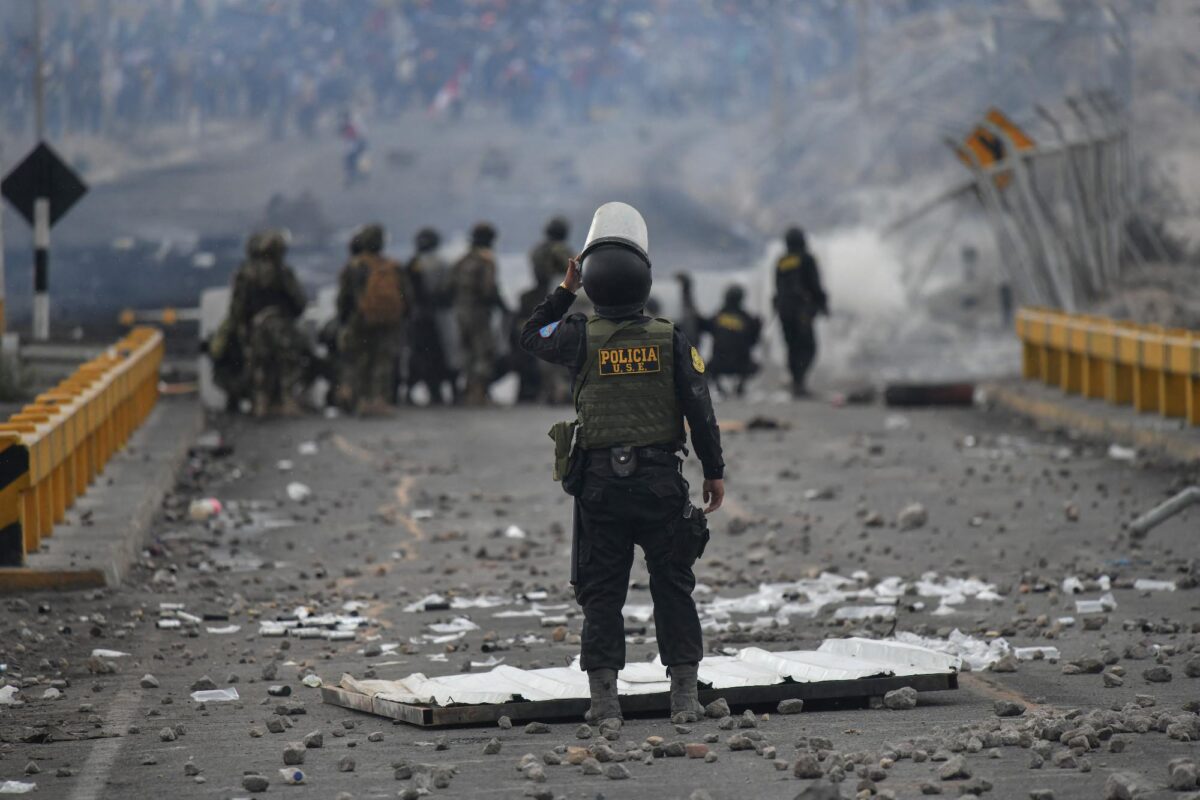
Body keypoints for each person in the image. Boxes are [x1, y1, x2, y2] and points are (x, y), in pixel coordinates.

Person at [520, 202, 725, 726]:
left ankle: (605, 705)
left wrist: (565, 291)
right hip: (660, 486)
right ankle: (683, 698)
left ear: (594, 283)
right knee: (673, 588)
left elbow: (529, 336)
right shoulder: (670, 338)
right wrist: (715, 470)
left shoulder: (577, 337)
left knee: (602, 595)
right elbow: (700, 408)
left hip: (600, 488)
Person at [229, 230, 308, 418]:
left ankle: (261, 404)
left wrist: (244, 326)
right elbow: (299, 301)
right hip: (282, 326)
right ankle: (287, 402)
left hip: (255, 328)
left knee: (260, 365)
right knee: (288, 364)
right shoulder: (283, 272)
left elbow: (237, 308)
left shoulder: (245, 273)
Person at [336, 223, 411, 415]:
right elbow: (406, 296)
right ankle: (379, 401)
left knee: (361, 360)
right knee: (383, 361)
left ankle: (361, 400)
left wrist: (343, 320)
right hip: (388, 321)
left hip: (358, 320)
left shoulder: (352, 267)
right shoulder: (392, 266)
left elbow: (343, 299)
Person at [451, 222, 507, 406]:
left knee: (467, 352)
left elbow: (448, 287)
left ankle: (467, 391)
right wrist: (504, 308)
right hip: (480, 313)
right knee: (483, 352)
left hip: (461, 311)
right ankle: (478, 393)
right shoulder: (486, 260)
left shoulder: (462, 260)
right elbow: (488, 290)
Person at [774, 227, 828, 397]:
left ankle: (797, 381)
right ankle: (799, 382)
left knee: (792, 347)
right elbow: (814, 284)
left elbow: (777, 287)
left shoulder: (781, 261)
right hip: (801, 312)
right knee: (808, 347)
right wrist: (823, 304)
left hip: (784, 311)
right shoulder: (807, 259)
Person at [406, 227, 454, 404]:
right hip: (439, 316)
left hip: (417, 316)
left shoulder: (413, 263)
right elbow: (448, 291)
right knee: (440, 354)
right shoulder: (442, 263)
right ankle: (440, 392)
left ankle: (409, 392)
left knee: (418, 354)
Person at [696, 285, 762, 397]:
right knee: (755, 366)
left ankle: (719, 388)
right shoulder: (746, 318)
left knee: (706, 369)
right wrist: (758, 324)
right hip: (742, 364)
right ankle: (740, 386)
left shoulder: (718, 316)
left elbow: (704, 326)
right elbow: (754, 341)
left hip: (718, 364)